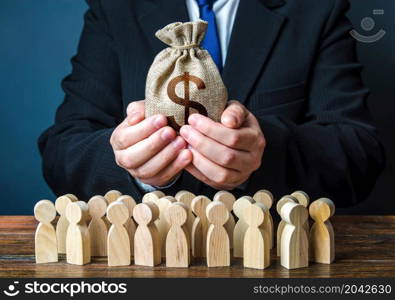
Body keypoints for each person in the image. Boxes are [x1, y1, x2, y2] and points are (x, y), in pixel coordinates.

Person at [38, 0, 385, 207]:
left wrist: (263, 152)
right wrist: (126, 160)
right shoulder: (117, 9)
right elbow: (62, 149)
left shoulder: (316, 8)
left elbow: (358, 152)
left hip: (274, 257)